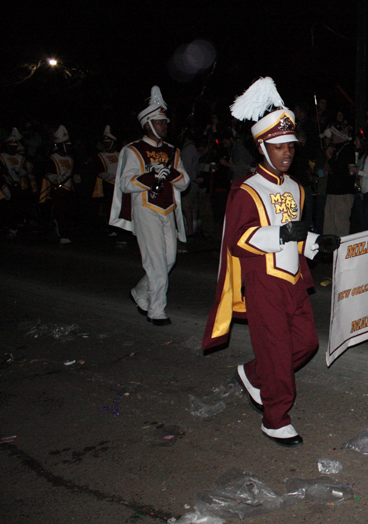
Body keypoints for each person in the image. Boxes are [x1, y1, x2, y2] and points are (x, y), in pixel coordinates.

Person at [202, 77, 340, 447]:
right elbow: (238, 239)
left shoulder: (296, 188)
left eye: (290, 148)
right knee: (279, 355)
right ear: (262, 147)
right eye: (278, 147)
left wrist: (315, 242)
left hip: (294, 281)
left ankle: (253, 374)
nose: (286, 154)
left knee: (307, 344)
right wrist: (284, 233)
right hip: (263, 282)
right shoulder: (246, 190)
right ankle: (275, 417)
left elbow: (295, 236)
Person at [109, 86, 190, 325]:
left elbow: (184, 182)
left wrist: (171, 172)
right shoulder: (133, 149)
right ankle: (156, 310)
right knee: (155, 260)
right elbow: (125, 183)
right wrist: (151, 176)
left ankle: (141, 292)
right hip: (145, 208)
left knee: (169, 260)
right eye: (160, 122)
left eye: (165, 122)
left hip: (168, 210)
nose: (165, 126)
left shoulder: (172, 151)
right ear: (148, 124)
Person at [40, 125, 77, 244]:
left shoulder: (71, 158)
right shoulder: (51, 158)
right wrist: (54, 177)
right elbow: (45, 172)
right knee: (61, 212)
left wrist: (76, 177)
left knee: (68, 212)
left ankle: (64, 231)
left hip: (69, 189)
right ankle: (62, 234)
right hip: (58, 190)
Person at [0, 128, 36, 237]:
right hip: (5, 185)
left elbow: (27, 171)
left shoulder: (21, 158)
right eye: (11, 146)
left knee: (16, 208)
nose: (13, 148)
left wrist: (25, 174)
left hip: (18, 186)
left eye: (15, 146)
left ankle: (13, 228)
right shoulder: (2, 157)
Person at [323, 125, 357, 236]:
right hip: (333, 192)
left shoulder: (348, 149)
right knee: (329, 224)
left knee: (341, 224)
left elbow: (341, 170)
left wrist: (329, 157)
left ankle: (342, 249)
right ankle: (330, 248)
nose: (331, 136)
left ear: (338, 135)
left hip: (342, 193)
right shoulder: (337, 148)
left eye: (333, 134)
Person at [92, 126, 120, 234]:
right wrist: (105, 175)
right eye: (105, 142)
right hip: (108, 184)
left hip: (120, 184)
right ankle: (111, 228)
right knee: (109, 207)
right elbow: (99, 170)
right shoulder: (100, 155)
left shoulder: (120, 154)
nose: (107, 144)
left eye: (109, 142)